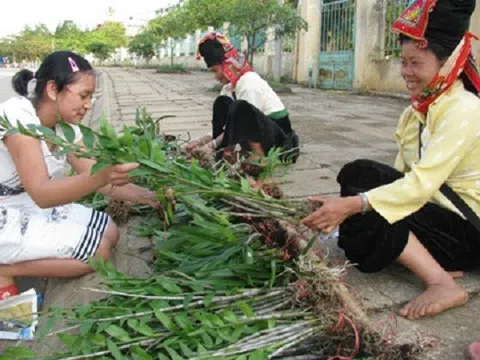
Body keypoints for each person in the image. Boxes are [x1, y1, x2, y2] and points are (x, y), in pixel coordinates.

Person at [302, 0, 480, 320]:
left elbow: (419, 185)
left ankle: (441, 282)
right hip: (441, 222)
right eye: (403, 62)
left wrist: (355, 205)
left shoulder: (465, 109)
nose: (406, 73)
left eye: (415, 63)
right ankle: (431, 260)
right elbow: (400, 177)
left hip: (471, 233)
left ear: (449, 60)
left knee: (363, 183)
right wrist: (354, 209)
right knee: (359, 192)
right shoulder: (418, 110)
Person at [0, 51, 158, 299]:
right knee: (97, 255)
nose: (88, 104)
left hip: (23, 204)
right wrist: (102, 176)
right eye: (83, 96)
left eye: (91, 97)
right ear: (53, 90)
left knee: (110, 231)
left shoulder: (65, 128)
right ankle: (5, 270)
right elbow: (42, 193)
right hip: (7, 211)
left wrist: (150, 197)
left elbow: (95, 174)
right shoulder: (19, 121)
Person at [183, 32, 299, 162]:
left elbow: (248, 123)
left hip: (278, 141)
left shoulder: (249, 82)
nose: (215, 77)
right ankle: (222, 153)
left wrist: (211, 145)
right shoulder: (228, 87)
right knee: (221, 103)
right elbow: (227, 127)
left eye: (215, 70)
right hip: (258, 134)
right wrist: (200, 142)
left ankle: (257, 158)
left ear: (227, 65)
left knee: (240, 107)